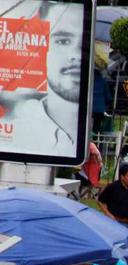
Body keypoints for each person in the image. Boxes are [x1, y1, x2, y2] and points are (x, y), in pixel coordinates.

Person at [9, 2, 83, 156]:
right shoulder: (13, 138)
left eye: (85, 43)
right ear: (42, 48)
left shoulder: (83, 144)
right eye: (63, 41)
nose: (76, 55)